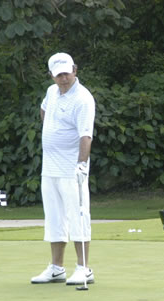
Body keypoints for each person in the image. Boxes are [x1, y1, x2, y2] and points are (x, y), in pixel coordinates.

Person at [31, 52, 96, 286]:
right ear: (52, 76)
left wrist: (81, 164)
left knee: (78, 217)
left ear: (75, 70)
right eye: (59, 75)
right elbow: (44, 111)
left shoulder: (83, 99)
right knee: (55, 218)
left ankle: (84, 268)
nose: (64, 78)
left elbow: (86, 136)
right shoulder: (52, 92)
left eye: (67, 73)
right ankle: (57, 268)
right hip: (49, 168)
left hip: (72, 169)